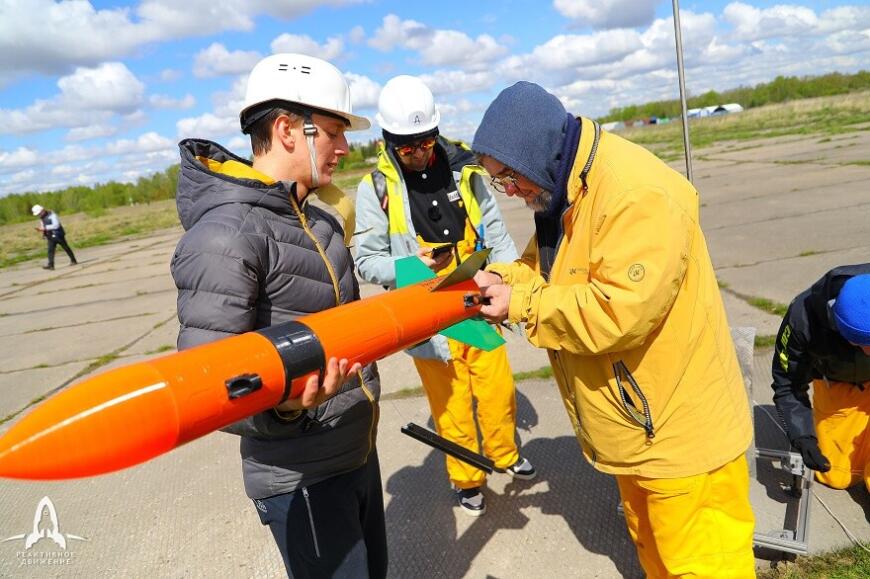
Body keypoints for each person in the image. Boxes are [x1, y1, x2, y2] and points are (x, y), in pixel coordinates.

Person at [471, 82, 755, 577]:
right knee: (654, 550)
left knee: (702, 565)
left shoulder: (633, 195)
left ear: (535, 152)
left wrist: (520, 303)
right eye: (499, 182)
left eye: (508, 177)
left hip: (680, 439)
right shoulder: (566, 187)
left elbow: (618, 311)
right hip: (640, 430)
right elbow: (546, 267)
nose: (509, 191)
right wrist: (501, 278)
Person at [170, 53, 387, 578]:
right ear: (288, 129)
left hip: (355, 449)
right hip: (301, 477)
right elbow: (208, 388)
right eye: (334, 132)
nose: (344, 148)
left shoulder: (317, 218)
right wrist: (285, 405)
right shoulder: (224, 237)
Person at [354, 75, 535, 517]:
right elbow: (365, 261)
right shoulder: (374, 189)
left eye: (425, 143)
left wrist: (508, 281)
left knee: (496, 390)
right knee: (450, 403)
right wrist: (408, 265)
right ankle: (468, 478)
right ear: (387, 141)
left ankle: (506, 454)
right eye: (407, 147)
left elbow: (494, 231)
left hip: (475, 295)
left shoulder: (466, 170)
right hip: (427, 309)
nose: (418, 154)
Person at [772, 265, 870, 492]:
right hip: (839, 382)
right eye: (861, 345)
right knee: (836, 475)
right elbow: (787, 384)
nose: (868, 352)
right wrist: (802, 436)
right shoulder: (802, 320)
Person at [32, 204, 77, 269]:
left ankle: (73, 260)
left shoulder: (53, 215)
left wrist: (45, 228)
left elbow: (56, 225)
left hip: (58, 235)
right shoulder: (41, 218)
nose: (39, 215)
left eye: (39, 213)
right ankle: (51, 265)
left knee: (66, 248)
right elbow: (43, 226)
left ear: (42, 210)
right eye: (37, 214)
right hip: (50, 236)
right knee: (50, 250)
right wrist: (42, 231)